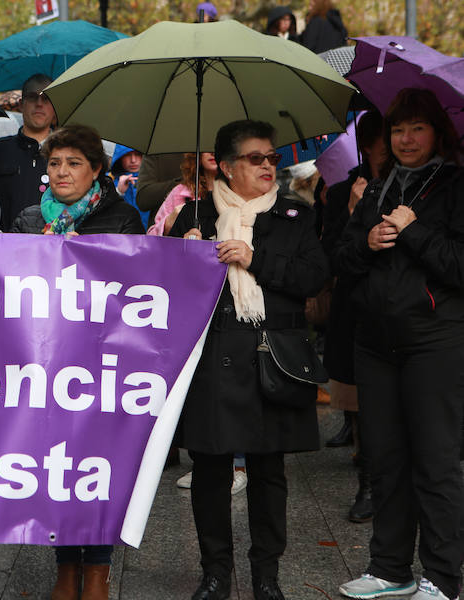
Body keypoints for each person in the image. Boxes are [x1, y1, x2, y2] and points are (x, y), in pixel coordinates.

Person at [170, 120, 328, 600]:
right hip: (213, 360)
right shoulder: (193, 213)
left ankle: (266, 576)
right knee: (211, 471)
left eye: (272, 158)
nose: (267, 166)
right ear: (226, 164)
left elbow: (313, 277)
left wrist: (254, 258)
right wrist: (185, 255)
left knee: (268, 471)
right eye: (256, 158)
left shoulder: (293, 215)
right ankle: (215, 573)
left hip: (270, 361)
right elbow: (164, 292)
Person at [335, 88, 464, 600]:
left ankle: (442, 578)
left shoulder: (454, 186)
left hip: (436, 342)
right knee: (385, 462)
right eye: (398, 130)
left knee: (435, 464)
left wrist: (413, 233)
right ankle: (391, 569)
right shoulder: (378, 186)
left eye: (417, 128)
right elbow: (342, 259)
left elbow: (458, 266)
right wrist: (365, 242)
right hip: (376, 343)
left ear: (437, 132)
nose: (406, 139)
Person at [9, 124, 142, 600]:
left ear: (97, 171)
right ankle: (66, 567)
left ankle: (99, 569)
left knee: (99, 467)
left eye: (74, 163)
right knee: (58, 469)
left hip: (104, 363)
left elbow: (139, 292)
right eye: (55, 163)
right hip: (46, 361)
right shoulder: (28, 219)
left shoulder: (123, 219)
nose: (62, 172)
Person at [320, 112, 386, 525]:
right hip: (355, 307)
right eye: (386, 136)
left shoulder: (420, 188)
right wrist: (350, 209)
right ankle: (368, 482)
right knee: (362, 398)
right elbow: (330, 251)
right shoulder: (345, 188)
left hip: (401, 311)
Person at [0, 73, 56, 231]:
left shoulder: (67, 153)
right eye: (32, 97)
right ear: (22, 104)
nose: (39, 104)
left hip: (54, 247)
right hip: (6, 247)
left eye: (46, 98)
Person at [148, 152, 218, 236]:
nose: (212, 153)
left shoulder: (236, 192)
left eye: (215, 148)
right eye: (206, 148)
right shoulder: (180, 192)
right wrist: (168, 223)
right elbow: (151, 238)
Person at [109, 145, 149, 229]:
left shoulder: (154, 181)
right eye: (127, 155)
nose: (133, 160)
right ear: (120, 157)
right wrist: (118, 192)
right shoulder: (108, 181)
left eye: (138, 154)